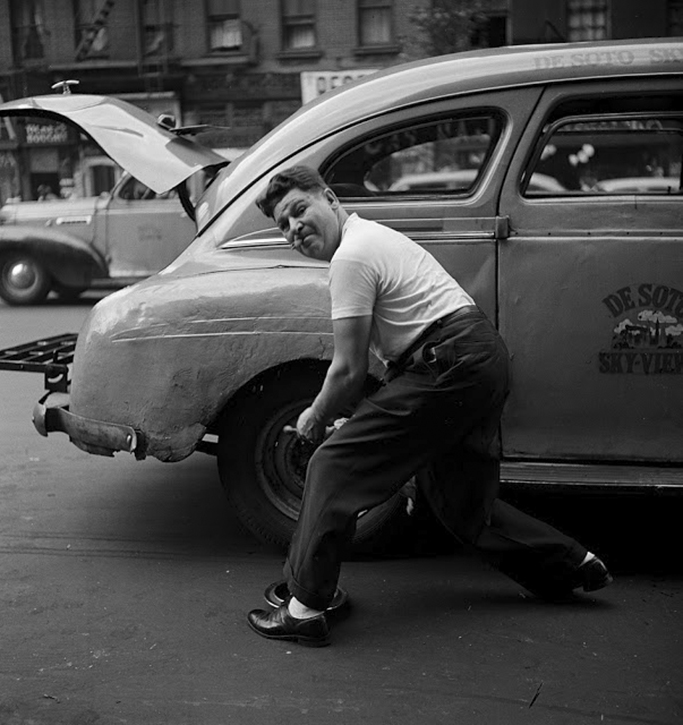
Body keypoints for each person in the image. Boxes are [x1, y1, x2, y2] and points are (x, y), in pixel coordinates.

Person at [247, 165, 612, 647]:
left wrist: (315, 415)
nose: (294, 228)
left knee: (333, 464)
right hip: (469, 359)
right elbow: (386, 369)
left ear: (330, 198)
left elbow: (347, 371)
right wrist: (358, 417)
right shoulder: (368, 240)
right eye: (283, 225)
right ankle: (571, 565)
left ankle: (307, 606)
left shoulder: (351, 256)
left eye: (299, 210)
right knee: (461, 505)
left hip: (447, 362)